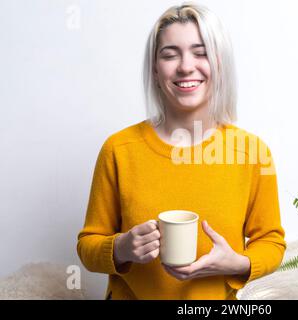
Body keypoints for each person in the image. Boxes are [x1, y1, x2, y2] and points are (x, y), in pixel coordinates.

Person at [77, 2, 286, 300]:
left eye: (200, 52)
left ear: (220, 63)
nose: (186, 66)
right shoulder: (119, 149)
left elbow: (272, 242)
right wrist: (122, 247)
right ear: (154, 68)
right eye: (170, 54)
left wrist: (238, 263)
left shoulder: (252, 152)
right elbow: (87, 246)